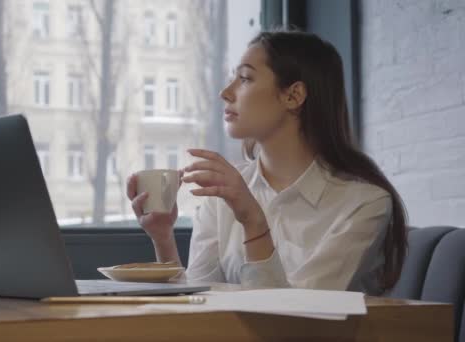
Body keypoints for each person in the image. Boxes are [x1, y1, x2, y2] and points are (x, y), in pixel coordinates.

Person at [126, 30, 407, 295]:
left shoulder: (364, 203)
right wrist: (162, 237)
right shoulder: (224, 194)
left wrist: (253, 220)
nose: (226, 92)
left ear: (293, 95)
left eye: (245, 79)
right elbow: (197, 306)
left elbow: (295, 322)